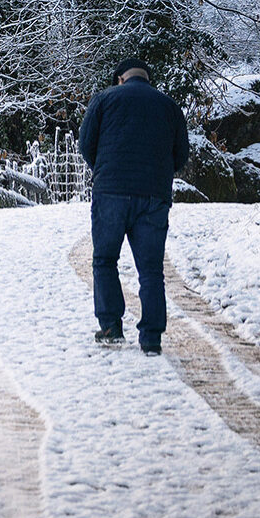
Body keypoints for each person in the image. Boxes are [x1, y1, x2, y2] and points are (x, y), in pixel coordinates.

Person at [78, 57, 190, 355]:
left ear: (120, 79)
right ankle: (151, 337)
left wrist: (104, 170)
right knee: (151, 269)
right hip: (153, 196)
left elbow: (85, 145)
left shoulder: (103, 100)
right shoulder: (169, 106)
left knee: (105, 260)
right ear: (147, 79)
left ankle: (111, 326)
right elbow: (181, 156)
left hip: (111, 192)